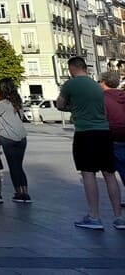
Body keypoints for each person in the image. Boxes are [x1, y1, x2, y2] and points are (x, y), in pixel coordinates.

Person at [56, 57, 124, 230]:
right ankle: (119, 217)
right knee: (109, 174)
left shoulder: (71, 85)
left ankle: (94, 216)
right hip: (104, 132)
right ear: (86, 68)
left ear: (72, 69)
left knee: (88, 174)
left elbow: (60, 104)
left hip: (85, 133)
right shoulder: (96, 86)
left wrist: (73, 107)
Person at [0, 79, 30, 203]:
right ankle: (26, 193)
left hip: (8, 138)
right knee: (19, 166)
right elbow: (19, 117)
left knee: (13, 166)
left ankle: (18, 193)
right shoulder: (17, 101)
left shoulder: (2, 103)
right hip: (22, 137)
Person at [99, 70, 125, 189]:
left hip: (113, 136)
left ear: (103, 82)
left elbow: (101, 118)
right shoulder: (123, 95)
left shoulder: (102, 99)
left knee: (113, 172)